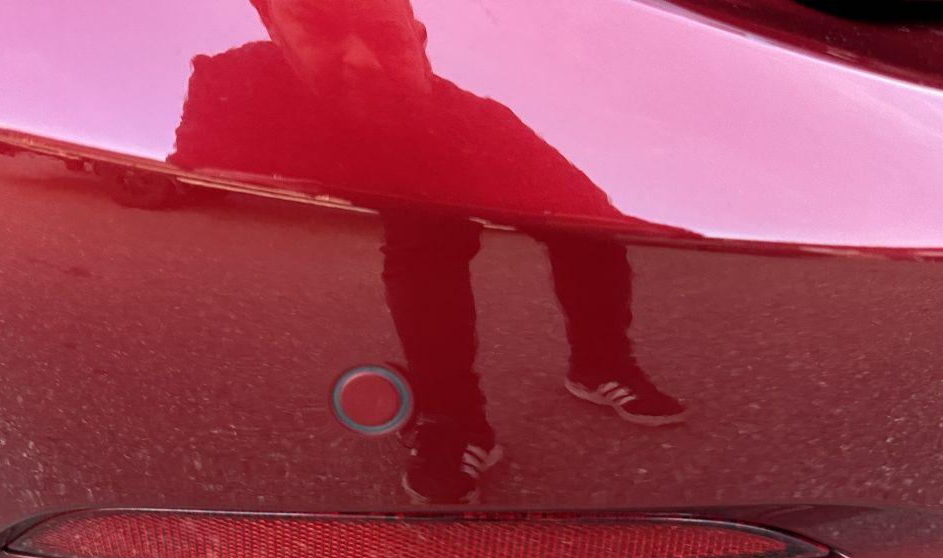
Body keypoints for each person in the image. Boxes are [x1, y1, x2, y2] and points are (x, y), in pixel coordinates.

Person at [170, 0, 687, 503]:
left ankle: (601, 364)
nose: (362, 59)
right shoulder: (231, 83)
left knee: (588, 222)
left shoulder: (469, 120)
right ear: (270, 23)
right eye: (322, 27)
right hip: (359, 148)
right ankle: (453, 419)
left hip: (435, 127)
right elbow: (188, 165)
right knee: (426, 243)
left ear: (419, 42)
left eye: (385, 36)